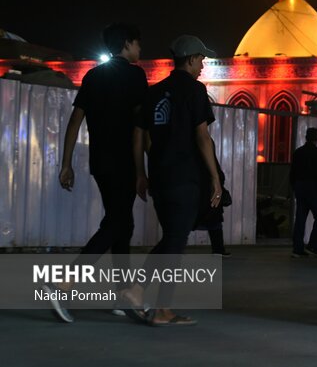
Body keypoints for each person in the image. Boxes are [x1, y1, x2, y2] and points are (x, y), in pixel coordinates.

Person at [45, 23, 147, 323]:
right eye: (138, 44)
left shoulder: (93, 75)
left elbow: (75, 120)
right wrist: (144, 168)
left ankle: (123, 293)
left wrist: (66, 163)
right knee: (117, 223)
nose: (140, 50)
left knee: (120, 223)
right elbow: (142, 127)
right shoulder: (136, 76)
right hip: (124, 162)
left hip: (100, 164)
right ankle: (64, 282)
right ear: (127, 44)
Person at [121, 34, 222, 327]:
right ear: (190, 59)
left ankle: (148, 298)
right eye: (201, 59)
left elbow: (138, 134)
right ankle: (149, 299)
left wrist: (141, 173)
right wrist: (215, 177)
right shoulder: (195, 91)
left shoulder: (155, 92)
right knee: (175, 242)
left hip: (160, 178)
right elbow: (202, 136)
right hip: (184, 178)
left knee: (171, 240)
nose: (203, 64)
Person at [289, 127, 317, 258]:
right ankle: (313, 245)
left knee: (300, 218)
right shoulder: (316, 152)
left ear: (306, 137)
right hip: (313, 188)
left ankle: (297, 248)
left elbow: (292, 173)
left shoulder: (298, 152)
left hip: (300, 188)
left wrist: (294, 188)